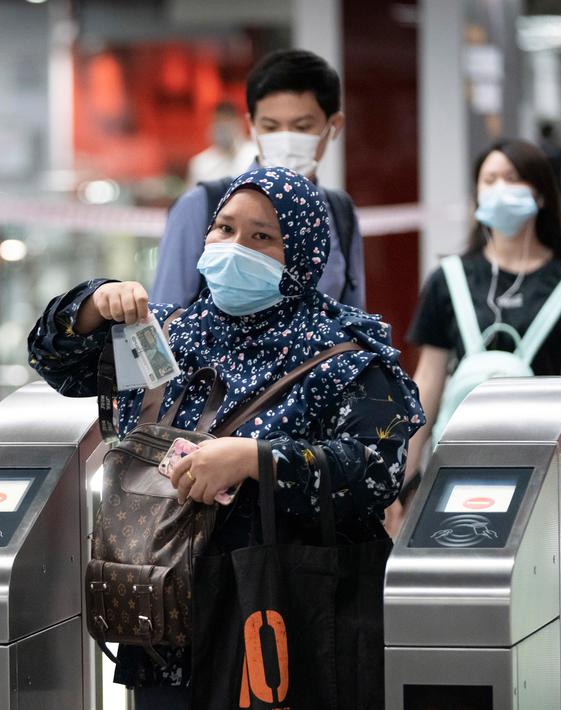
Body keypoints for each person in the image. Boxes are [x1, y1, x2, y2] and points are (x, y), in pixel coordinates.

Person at [29, 167, 422, 708]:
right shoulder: (165, 335)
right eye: (225, 229)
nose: (236, 247)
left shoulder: (344, 356)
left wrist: (258, 460)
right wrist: (93, 305)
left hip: (283, 625)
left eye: (263, 236)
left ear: (303, 254)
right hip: (164, 622)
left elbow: (375, 472)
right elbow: (57, 362)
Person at [391, 139, 561, 532]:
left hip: (544, 466)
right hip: (457, 465)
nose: (499, 190)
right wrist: (401, 481)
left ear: (541, 194)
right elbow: (427, 382)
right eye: (488, 180)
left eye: (512, 179)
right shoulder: (449, 279)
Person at [151, 49, 365, 310]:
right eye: (271, 127)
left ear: (334, 125)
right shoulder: (203, 206)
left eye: (302, 127)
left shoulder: (339, 212)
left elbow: (353, 319)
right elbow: (164, 320)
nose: (285, 139)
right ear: (252, 126)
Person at [185, 102, 257, 186]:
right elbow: (194, 197)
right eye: (217, 121)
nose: (222, 127)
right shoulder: (199, 164)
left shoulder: (255, 154)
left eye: (227, 120)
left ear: (240, 122)